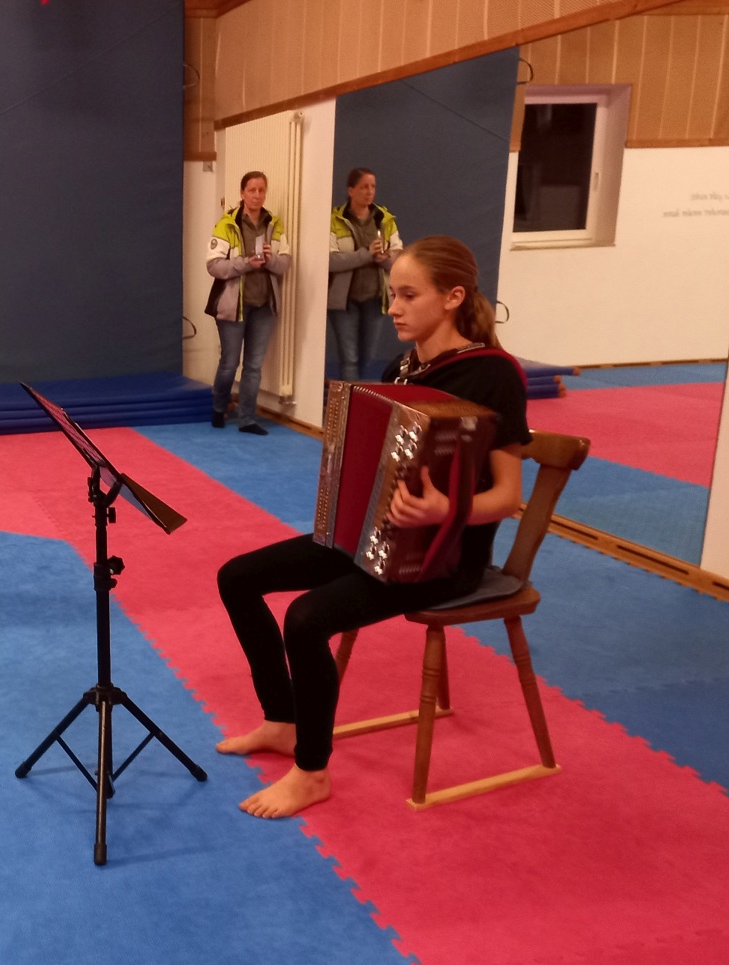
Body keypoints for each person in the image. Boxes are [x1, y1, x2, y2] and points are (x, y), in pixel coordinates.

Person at [216, 236, 528, 819]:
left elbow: (508, 497)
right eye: (393, 295)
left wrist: (442, 510)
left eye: (409, 295)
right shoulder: (401, 369)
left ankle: (312, 772)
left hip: (442, 558)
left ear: (453, 297)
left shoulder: (494, 375)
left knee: (306, 618)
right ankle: (283, 721)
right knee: (236, 577)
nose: (394, 308)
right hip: (373, 539)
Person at [206, 171, 291, 435]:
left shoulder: (274, 224)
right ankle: (219, 407)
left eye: (261, 190)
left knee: (254, 366)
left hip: (264, 305)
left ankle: (247, 419)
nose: (257, 195)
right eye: (252, 190)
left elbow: (285, 263)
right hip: (233, 306)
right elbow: (214, 266)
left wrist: (270, 260)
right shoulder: (226, 224)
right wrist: (245, 263)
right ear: (242, 193)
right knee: (230, 363)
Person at [326, 167, 402, 382]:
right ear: (351, 190)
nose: (369, 192)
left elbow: (399, 257)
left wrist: (383, 258)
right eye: (363, 187)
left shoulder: (384, 219)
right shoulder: (335, 220)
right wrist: (367, 254)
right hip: (344, 302)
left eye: (373, 187)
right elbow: (331, 260)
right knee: (349, 359)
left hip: (375, 299)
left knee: (366, 357)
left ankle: (356, 394)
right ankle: (349, 402)